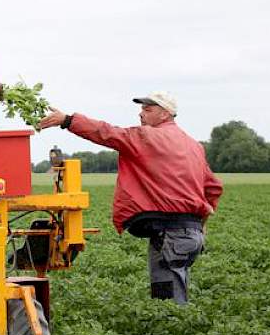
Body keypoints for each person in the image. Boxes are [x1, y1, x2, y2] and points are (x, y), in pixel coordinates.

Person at [37, 91, 223, 304]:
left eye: (148, 109)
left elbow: (107, 133)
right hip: (188, 234)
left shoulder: (147, 137)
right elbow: (213, 188)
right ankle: (174, 326)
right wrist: (202, 223)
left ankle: (176, 332)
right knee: (171, 290)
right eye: (141, 109)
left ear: (165, 115)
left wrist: (68, 120)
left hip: (171, 234)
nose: (141, 114)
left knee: (170, 299)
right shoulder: (194, 146)